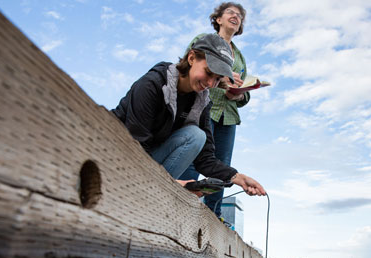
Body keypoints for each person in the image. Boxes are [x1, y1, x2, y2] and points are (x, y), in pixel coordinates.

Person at [112, 33, 265, 198]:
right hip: (119, 155)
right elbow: (136, 144)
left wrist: (238, 177)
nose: (210, 83)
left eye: (217, 79)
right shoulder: (153, 84)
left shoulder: (202, 101)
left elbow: (204, 157)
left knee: (196, 136)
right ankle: (161, 188)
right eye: (208, 72)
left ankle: (155, 194)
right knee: (194, 135)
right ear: (192, 58)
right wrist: (177, 184)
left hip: (149, 163)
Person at [180, 3, 250, 219]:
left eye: (239, 16)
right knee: (194, 156)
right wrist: (219, 80)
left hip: (227, 116)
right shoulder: (204, 40)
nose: (235, 17)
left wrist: (238, 94)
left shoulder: (240, 59)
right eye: (230, 12)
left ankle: (214, 215)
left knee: (222, 166)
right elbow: (186, 67)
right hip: (203, 107)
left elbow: (245, 94)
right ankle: (186, 204)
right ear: (218, 19)